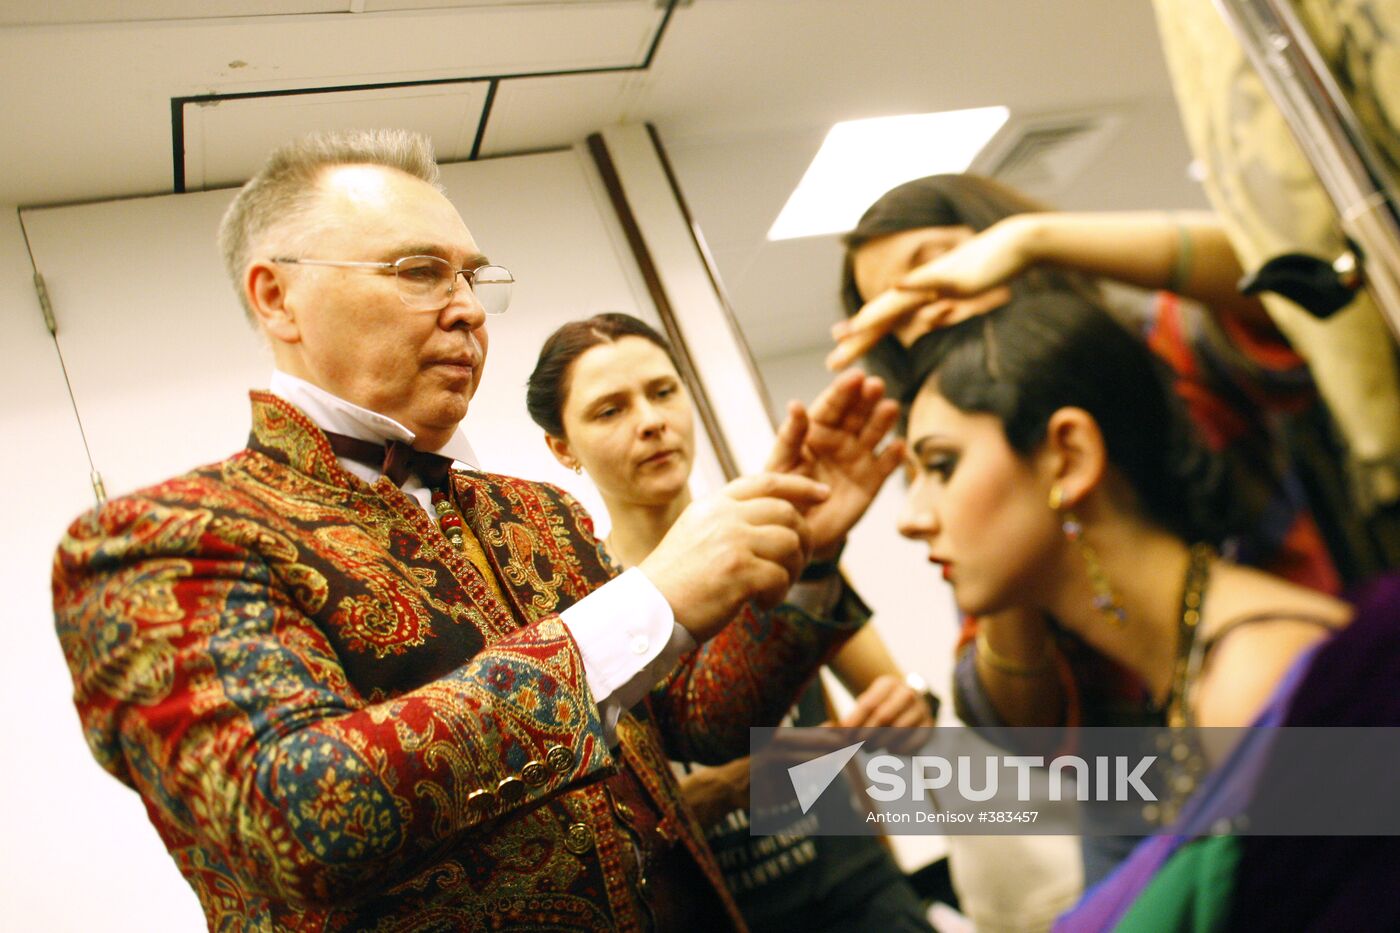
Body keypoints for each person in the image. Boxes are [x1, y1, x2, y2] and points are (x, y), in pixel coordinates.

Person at [50, 129, 901, 931]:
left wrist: (811, 556)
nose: (467, 311)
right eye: (421, 271)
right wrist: (640, 603)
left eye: (473, 278)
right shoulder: (160, 541)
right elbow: (294, 818)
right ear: (278, 297)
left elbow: (697, 722)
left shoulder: (537, 511)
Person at [829, 174, 1343, 886]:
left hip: (1282, 703)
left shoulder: (1157, 351)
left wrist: (1033, 239)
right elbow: (1020, 726)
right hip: (1127, 789)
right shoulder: (975, 452)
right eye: (886, 301)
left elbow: (1296, 280)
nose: (920, 304)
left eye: (931, 260)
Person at [893, 292, 1366, 929]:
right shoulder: (1180, 674)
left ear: (1070, 455)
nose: (911, 519)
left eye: (942, 467)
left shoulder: (1257, 674)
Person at [526, 312, 936, 932]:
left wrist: (907, 709)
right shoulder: (584, 611)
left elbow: (904, 709)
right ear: (563, 447)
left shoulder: (779, 543)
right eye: (610, 410)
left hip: (857, 893)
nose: (651, 421)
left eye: (663, 392)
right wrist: (707, 798)